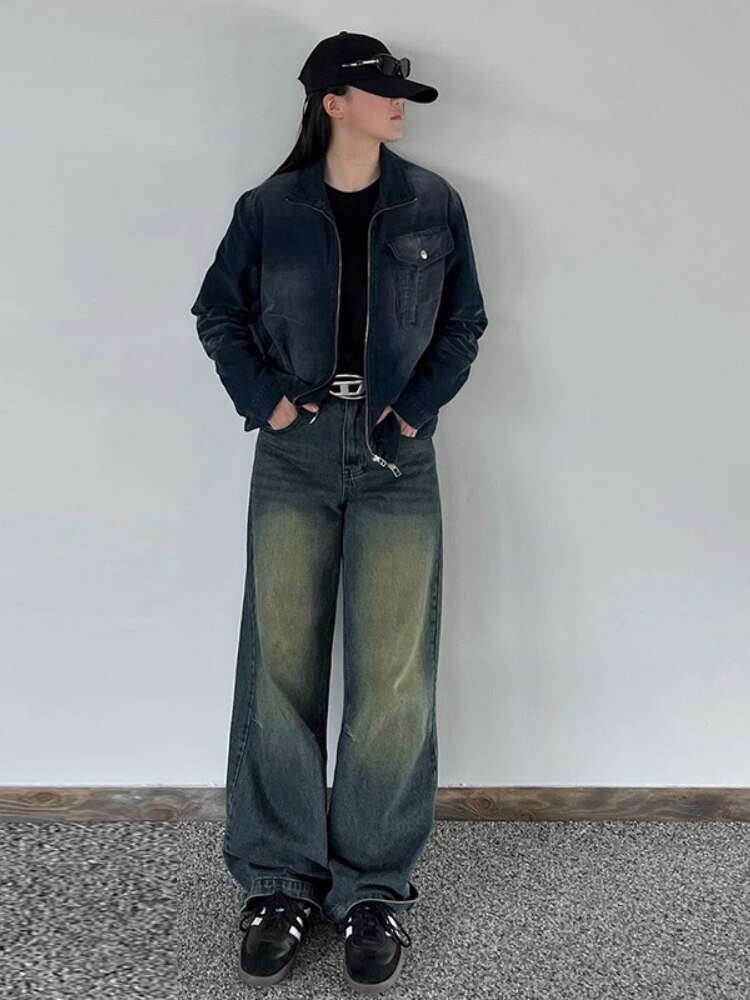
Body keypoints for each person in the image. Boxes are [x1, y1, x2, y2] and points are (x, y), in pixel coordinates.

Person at [190, 30, 488, 994]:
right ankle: (278, 882)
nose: (399, 104)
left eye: (402, 92)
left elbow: (463, 322)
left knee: (393, 676)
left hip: (397, 455)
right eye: (381, 90)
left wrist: (413, 413)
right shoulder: (268, 209)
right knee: (279, 664)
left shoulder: (432, 202)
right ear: (331, 101)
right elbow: (217, 312)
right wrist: (270, 403)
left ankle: (374, 890)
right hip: (295, 455)